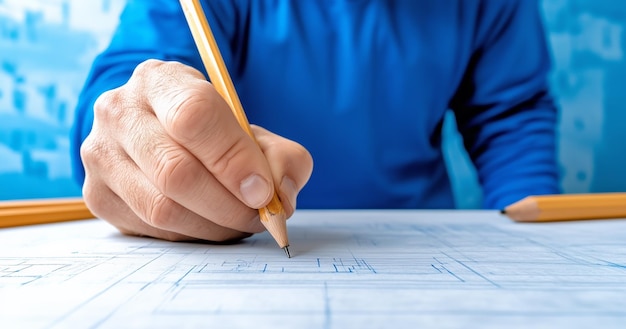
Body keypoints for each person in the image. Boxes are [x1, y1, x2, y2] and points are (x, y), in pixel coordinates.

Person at [71, 0, 560, 242]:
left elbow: (510, 118)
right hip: (234, 240)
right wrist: (136, 139)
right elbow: (131, 82)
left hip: (423, 238)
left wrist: (535, 239)